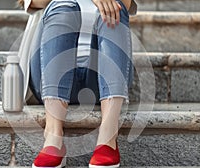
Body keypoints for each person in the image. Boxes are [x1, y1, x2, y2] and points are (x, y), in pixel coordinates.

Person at [17, 0, 137, 167]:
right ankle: (53, 137)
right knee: (63, 6)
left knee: (115, 5)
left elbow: (127, 4)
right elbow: (33, 2)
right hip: (50, 76)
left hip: (100, 81)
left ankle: (108, 137)